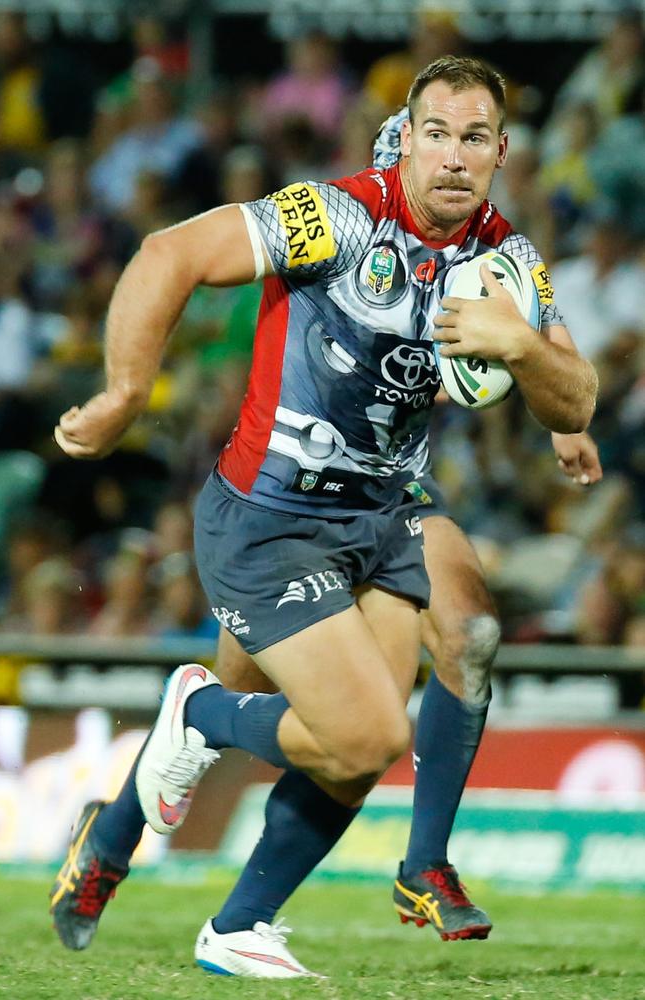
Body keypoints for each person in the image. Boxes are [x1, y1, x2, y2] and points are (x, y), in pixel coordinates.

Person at [49, 56, 599, 978]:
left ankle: (236, 920)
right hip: (269, 515)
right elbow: (170, 253)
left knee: (385, 712)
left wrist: (522, 353)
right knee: (331, 725)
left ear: (502, 152)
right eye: (437, 134)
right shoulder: (335, 216)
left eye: (475, 139)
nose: (454, 157)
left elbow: (575, 394)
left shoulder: (508, 259)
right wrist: (124, 391)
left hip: (385, 513)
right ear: (407, 137)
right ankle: (161, 774)